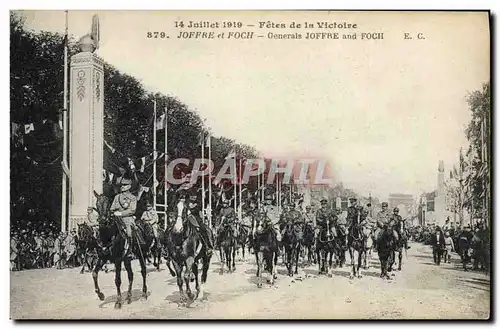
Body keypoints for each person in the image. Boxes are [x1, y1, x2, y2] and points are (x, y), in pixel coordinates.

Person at [110, 177, 137, 257]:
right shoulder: (117, 197)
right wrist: (114, 212)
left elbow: (132, 210)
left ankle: (130, 250)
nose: (122, 186)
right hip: (116, 219)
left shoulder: (132, 198)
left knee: (129, 232)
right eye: (121, 185)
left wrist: (120, 213)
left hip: (127, 219)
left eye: (124, 185)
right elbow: (112, 208)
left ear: (129, 186)